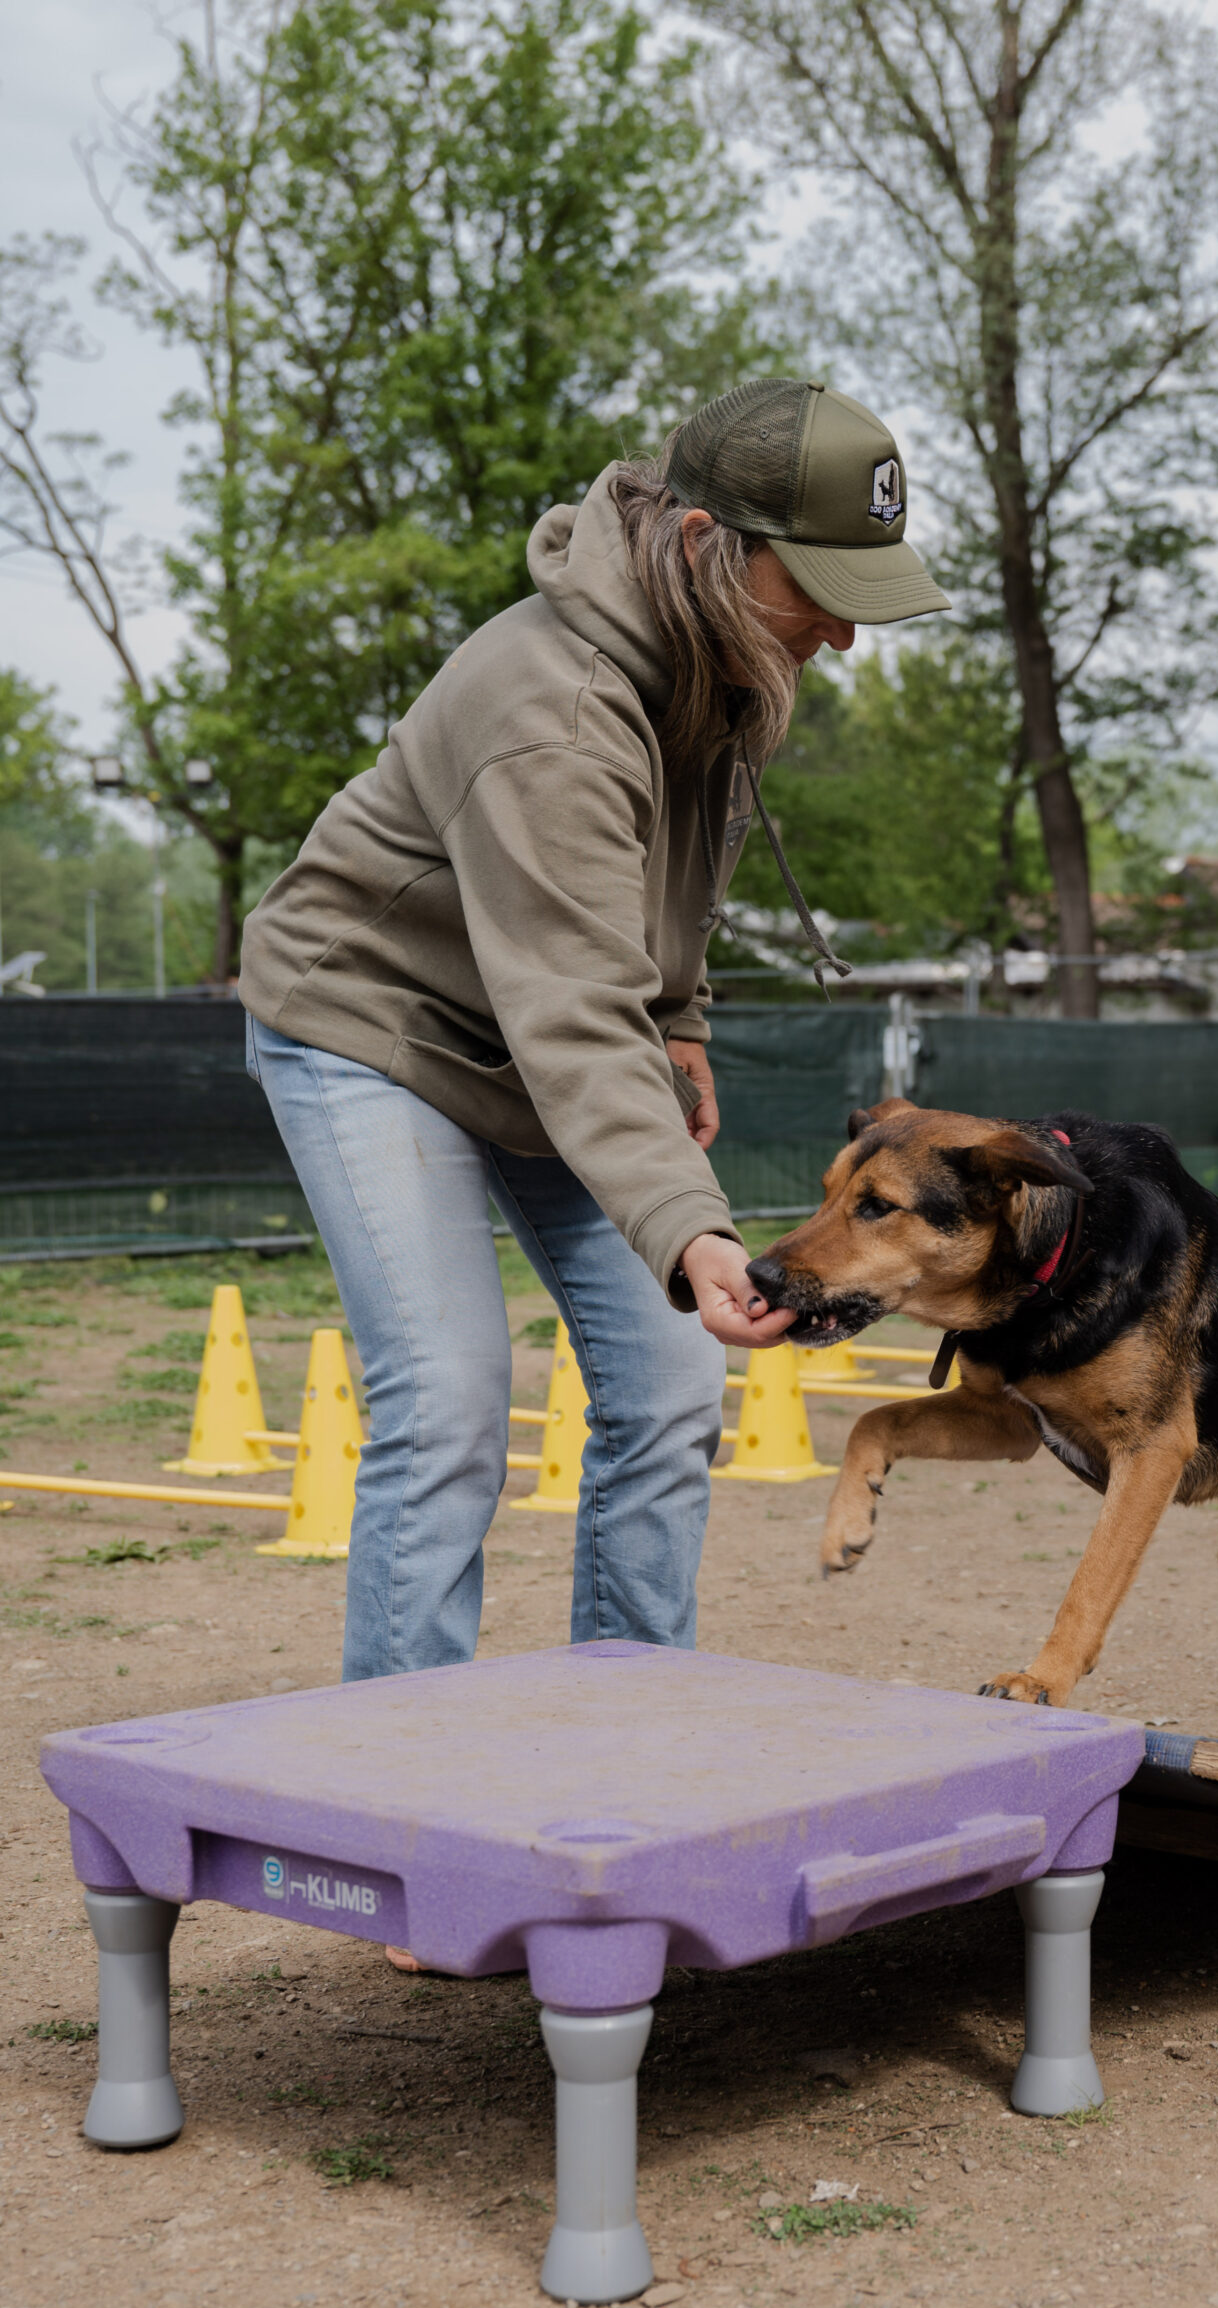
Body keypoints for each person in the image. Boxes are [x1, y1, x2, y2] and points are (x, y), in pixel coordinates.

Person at [239, 378, 949, 1702]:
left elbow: (649, 895)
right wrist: (691, 1226)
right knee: (451, 1404)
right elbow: (566, 1007)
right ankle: (407, 1805)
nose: (845, 636)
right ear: (702, 548)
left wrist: (678, 1022)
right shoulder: (551, 709)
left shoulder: (716, 661)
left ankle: (619, 1735)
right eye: (822, 588)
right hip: (377, 1029)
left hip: (545, 1036)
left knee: (674, 1381)